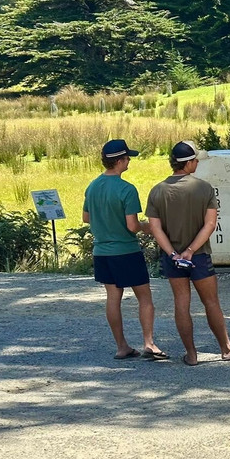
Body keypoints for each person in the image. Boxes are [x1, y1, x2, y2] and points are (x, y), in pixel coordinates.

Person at [146, 141, 230, 366]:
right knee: (211, 302)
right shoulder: (204, 188)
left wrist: (174, 253)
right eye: (195, 161)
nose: (197, 164)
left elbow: (155, 228)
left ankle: (191, 354)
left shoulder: (157, 190)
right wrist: (191, 250)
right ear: (189, 163)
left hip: (172, 258)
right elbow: (210, 224)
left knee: (181, 303)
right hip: (199, 255)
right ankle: (226, 348)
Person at [82, 139, 168, 361]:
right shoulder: (126, 189)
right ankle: (149, 342)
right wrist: (148, 228)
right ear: (119, 161)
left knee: (113, 297)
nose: (129, 160)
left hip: (102, 251)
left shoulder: (92, 186)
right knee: (145, 298)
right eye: (128, 157)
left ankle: (121, 346)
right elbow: (132, 226)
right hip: (126, 251)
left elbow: (86, 217)